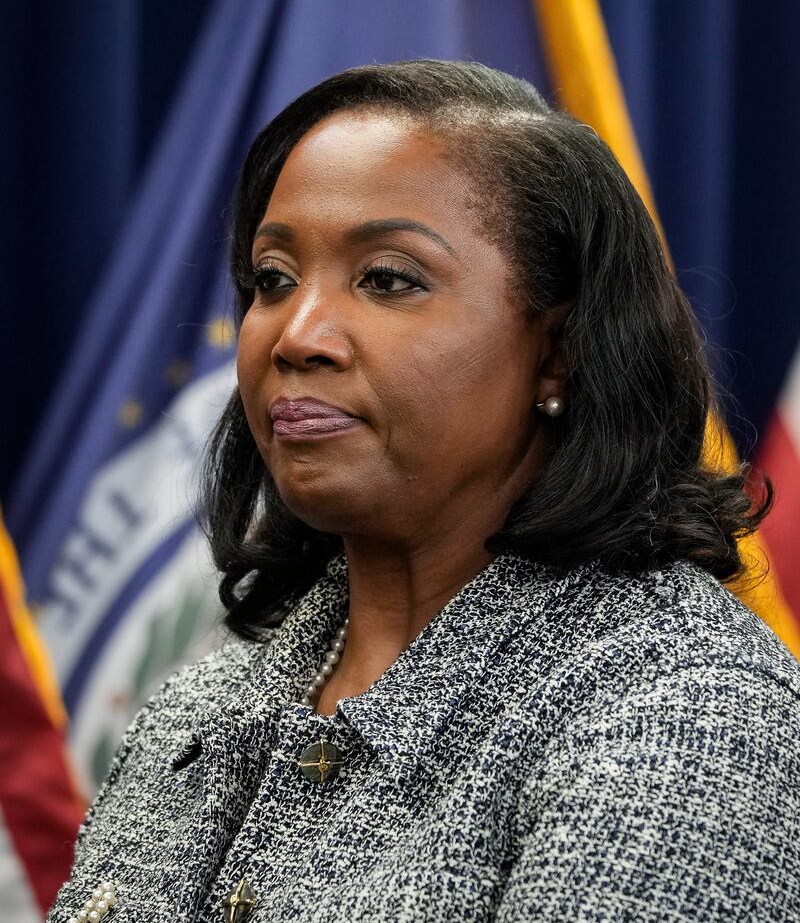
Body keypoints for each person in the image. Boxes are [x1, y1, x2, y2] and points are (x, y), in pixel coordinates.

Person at [51, 60, 800, 923]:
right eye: (272, 279)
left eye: (387, 279)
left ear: (559, 352)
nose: (296, 336)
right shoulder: (199, 712)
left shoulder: (687, 718)